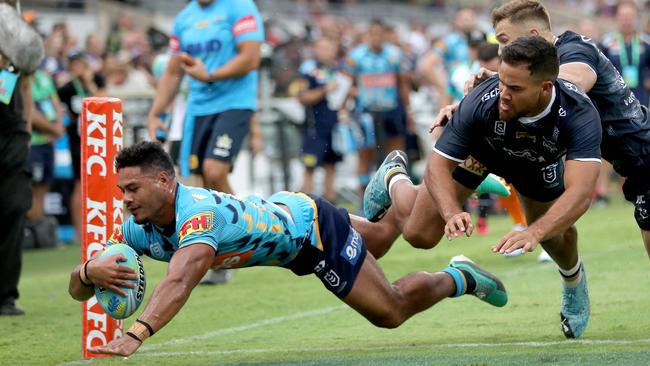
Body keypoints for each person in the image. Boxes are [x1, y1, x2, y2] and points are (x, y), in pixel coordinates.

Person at [67, 141, 507, 357]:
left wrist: (134, 334)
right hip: (286, 213)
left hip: (307, 232)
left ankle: (459, 276)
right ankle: (392, 181)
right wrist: (88, 271)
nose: (125, 199)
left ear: (164, 181)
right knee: (381, 238)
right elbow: (79, 287)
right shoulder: (139, 227)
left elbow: (181, 279)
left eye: (133, 188)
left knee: (388, 311)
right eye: (121, 190)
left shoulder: (196, 215)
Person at [363, 36, 603, 338]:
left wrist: (534, 232)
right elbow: (437, 165)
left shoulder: (579, 114)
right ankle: (395, 176)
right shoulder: (483, 100)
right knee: (418, 234)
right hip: (479, 155)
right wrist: (451, 212)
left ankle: (574, 284)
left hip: (536, 165)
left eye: (515, 89)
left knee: (555, 237)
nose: (503, 93)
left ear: (545, 87)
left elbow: (580, 195)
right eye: (502, 81)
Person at [432, 0, 650, 268]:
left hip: (644, 155)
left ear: (532, 36)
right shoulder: (542, 68)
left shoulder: (574, 50)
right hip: (632, 162)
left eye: (505, 40)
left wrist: (497, 86)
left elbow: (570, 85)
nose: (502, 51)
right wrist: (482, 99)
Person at [147, 0, 264, 285]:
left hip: (234, 102)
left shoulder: (239, 7)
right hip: (198, 109)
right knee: (199, 183)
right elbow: (174, 71)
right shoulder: (185, 18)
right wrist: (155, 111)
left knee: (215, 171)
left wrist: (210, 75)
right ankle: (222, 254)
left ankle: (254, 233)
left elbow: (251, 58)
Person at [0, 0, 45, 315]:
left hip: (12, 133)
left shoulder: (20, 39)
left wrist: (26, 134)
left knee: (14, 207)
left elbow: (26, 88)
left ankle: (5, 296)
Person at [57, 50, 106, 244]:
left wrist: (88, 83)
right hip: (79, 142)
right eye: (72, 64)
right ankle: (80, 234)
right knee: (79, 184)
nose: (76, 67)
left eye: (79, 63)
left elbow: (103, 102)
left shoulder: (97, 79)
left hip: (100, 138)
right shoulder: (67, 89)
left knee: (103, 182)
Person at [295, 37, 346, 204]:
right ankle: (306, 207)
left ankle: (330, 205)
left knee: (331, 165)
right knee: (310, 167)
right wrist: (324, 90)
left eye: (329, 48)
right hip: (314, 128)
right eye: (322, 48)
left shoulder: (337, 70)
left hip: (334, 127)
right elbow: (302, 97)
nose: (326, 52)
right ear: (315, 49)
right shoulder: (308, 70)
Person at [601, 1, 650, 107]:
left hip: (640, 100)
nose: (626, 20)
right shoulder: (607, 42)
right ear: (617, 18)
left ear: (637, 18)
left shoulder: (646, 42)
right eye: (623, 16)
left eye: (630, 16)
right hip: (614, 102)